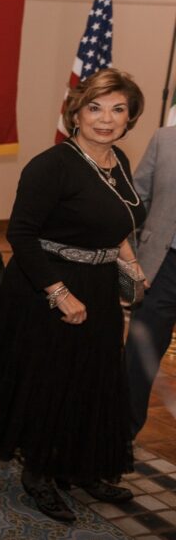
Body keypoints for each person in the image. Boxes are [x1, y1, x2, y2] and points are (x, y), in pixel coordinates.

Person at [0, 68, 147, 522]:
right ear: (76, 112)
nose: (105, 119)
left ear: (130, 118)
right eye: (95, 107)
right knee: (52, 383)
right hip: (45, 286)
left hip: (101, 284)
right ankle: (40, 474)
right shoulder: (52, 166)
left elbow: (117, 223)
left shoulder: (119, 163)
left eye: (117, 110)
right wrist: (58, 293)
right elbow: (22, 235)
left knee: (93, 380)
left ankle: (82, 466)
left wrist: (130, 263)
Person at [126, 125, 176, 436]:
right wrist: (129, 268)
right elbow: (134, 203)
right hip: (162, 266)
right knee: (137, 363)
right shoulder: (166, 140)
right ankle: (120, 442)